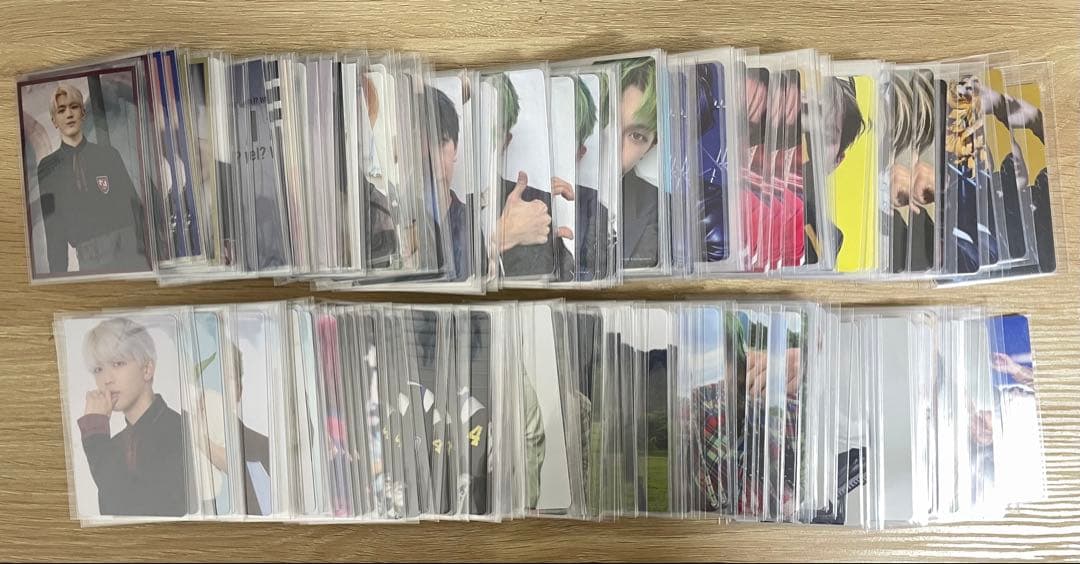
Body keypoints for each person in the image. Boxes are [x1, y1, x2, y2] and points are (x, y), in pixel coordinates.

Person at [76, 317, 186, 517]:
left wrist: (95, 435)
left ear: (147, 369)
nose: (106, 379)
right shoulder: (112, 445)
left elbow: (137, 510)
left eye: (118, 363)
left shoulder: (180, 432)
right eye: (98, 369)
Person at [36, 84, 148, 274]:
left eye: (74, 107)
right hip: (91, 263)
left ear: (83, 112)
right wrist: (58, 278)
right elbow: (53, 230)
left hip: (129, 255)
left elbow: (134, 208)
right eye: (61, 110)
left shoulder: (108, 155)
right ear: (54, 120)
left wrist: (145, 260)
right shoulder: (48, 168)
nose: (69, 114)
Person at [492, 73, 575, 278]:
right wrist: (499, 237)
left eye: (491, 132)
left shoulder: (534, 209)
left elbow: (566, 277)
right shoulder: (445, 207)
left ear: (505, 141)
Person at [617, 58, 662, 270]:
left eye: (636, 136)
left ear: (650, 147)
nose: (616, 146)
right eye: (609, 120)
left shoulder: (660, 210)